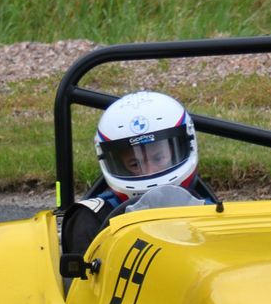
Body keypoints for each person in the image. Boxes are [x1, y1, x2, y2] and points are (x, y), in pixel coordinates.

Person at [64, 91, 216, 256]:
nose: (149, 171)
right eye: (135, 164)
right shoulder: (90, 219)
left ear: (184, 147)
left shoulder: (210, 212)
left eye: (159, 158)